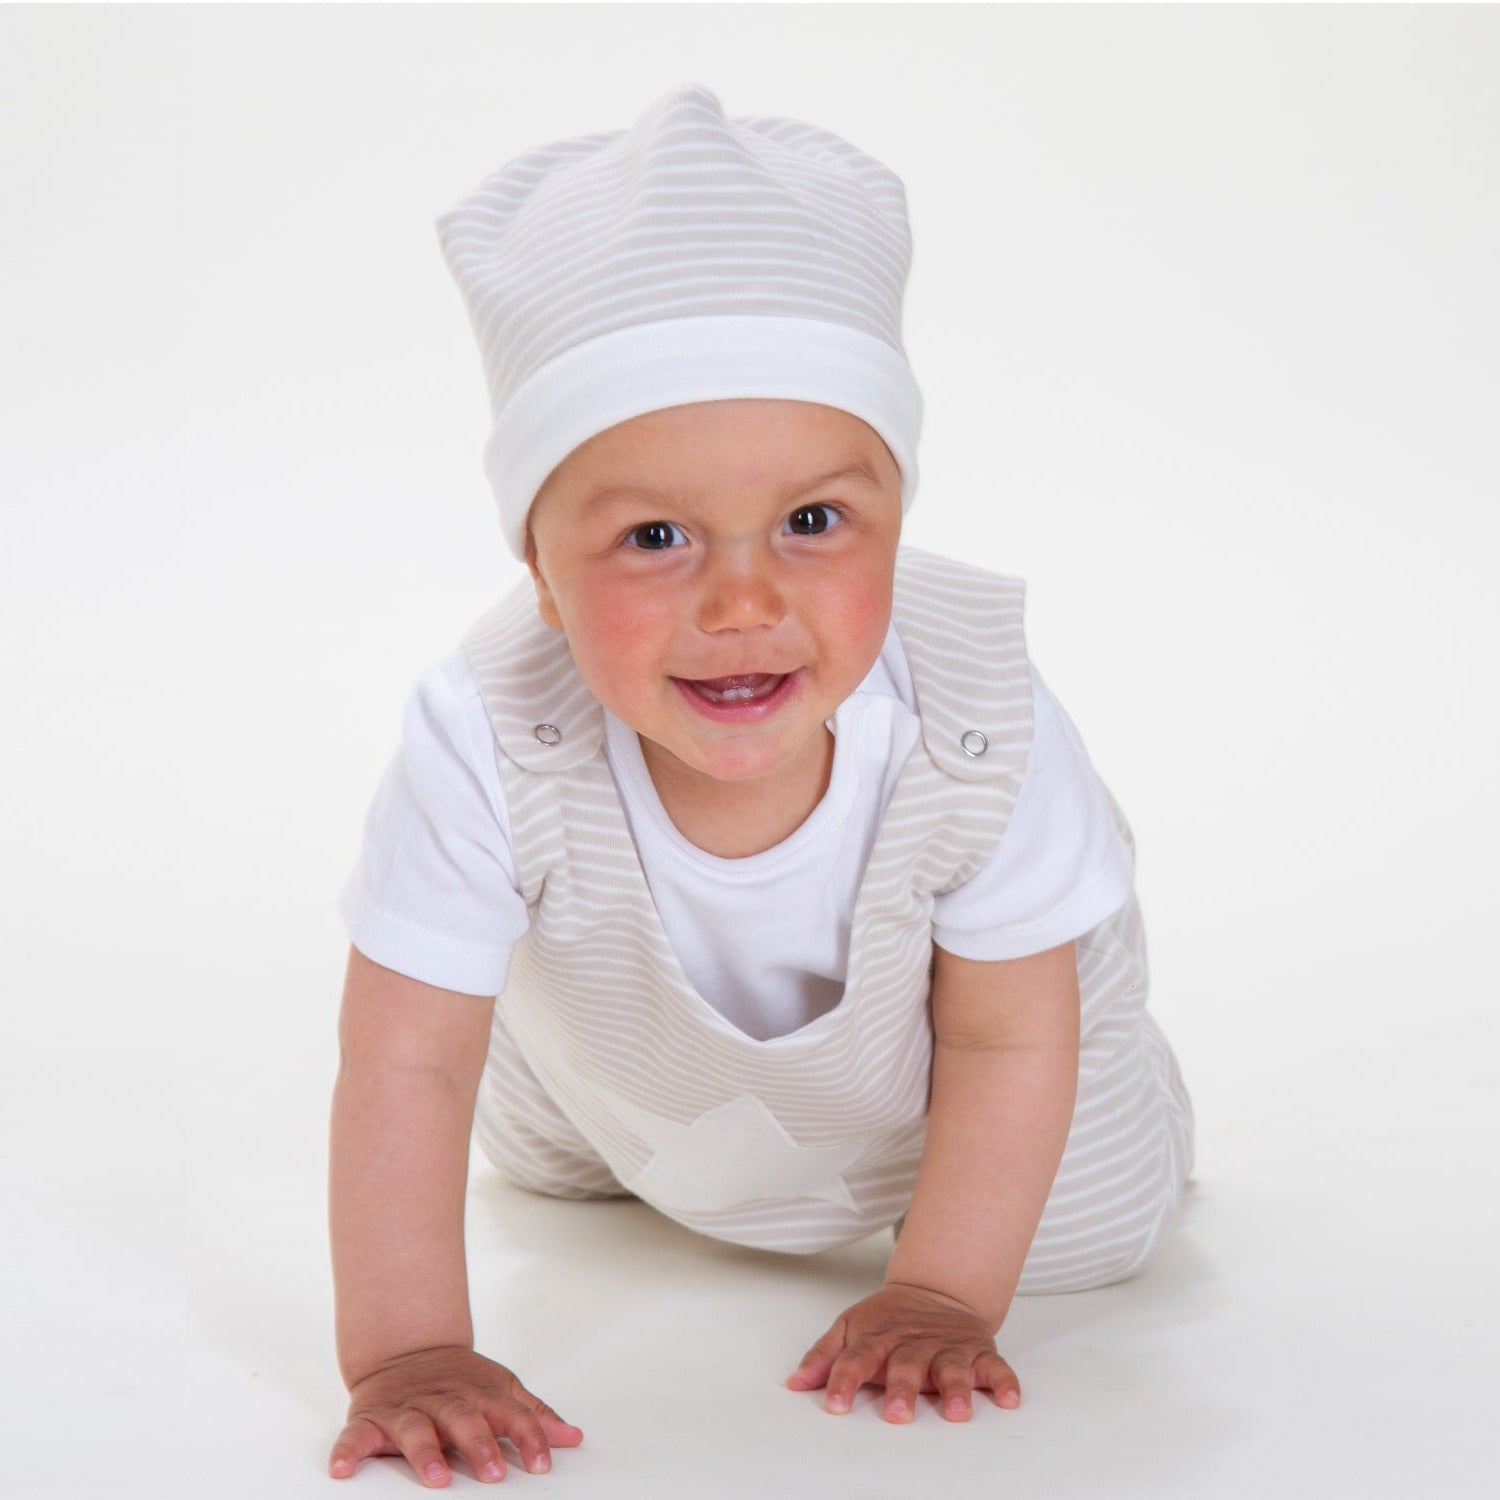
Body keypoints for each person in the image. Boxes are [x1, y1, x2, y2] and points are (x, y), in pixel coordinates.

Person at [327, 82, 1194, 1487]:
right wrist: (408, 1349)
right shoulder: (485, 731)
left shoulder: (976, 727)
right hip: (621, 1070)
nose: (743, 603)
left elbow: (1004, 1043)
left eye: (813, 520)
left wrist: (941, 1293)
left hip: (971, 1072)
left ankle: (1050, 1172)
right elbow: (408, 1059)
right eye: (655, 537)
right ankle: (637, 1142)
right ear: (540, 571)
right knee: (539, 1151)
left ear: (897, 521)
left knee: (1092, 1229)